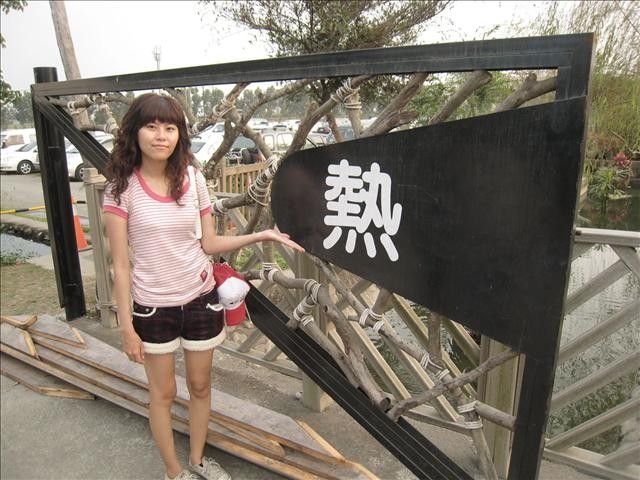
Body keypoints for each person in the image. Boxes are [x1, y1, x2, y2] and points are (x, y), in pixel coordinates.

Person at [103, 93, 303, 480]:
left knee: (199, 386)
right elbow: (121, 265)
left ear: (179, 134)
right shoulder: (120, 188)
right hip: (153, 307)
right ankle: (174, 472)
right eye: (151, 126)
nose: (161, 135)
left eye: (169, 127)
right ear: (134, 132)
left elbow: (209, 243)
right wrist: (127, 326)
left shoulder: (192, 178)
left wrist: (262, 234)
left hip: (200, 300)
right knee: (162, 394)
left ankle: (197, 461)